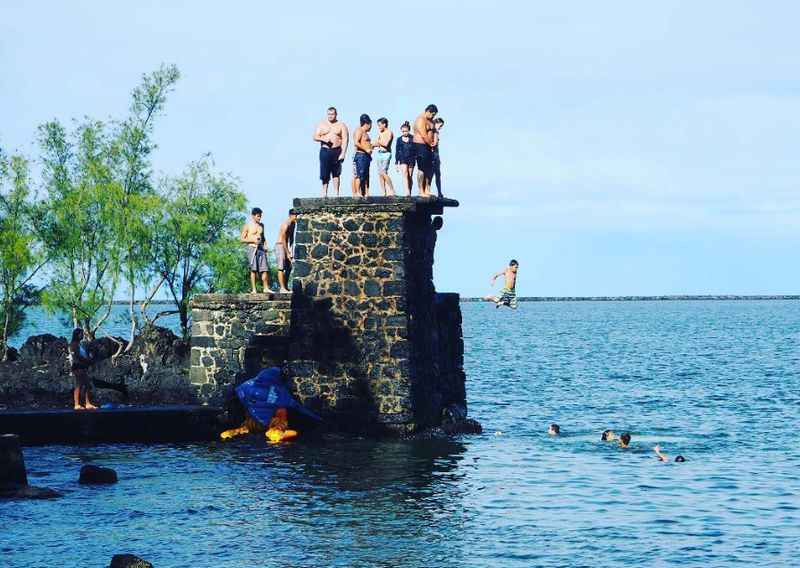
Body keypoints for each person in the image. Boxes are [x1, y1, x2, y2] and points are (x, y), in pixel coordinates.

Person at [313, 107, 349, 197]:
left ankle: (336, 193)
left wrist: (343, 153)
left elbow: (345, 139)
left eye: (332, 114)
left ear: (336, 114)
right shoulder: (322, 124)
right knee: (325, 172)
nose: (330, 116)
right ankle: (324, 192)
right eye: (329, 114)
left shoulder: (341, 125)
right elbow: (315, 136)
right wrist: (324, 139)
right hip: (325, 150)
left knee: (336, 173)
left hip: (336, 150)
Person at [240, 207, 270, 294]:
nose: (259, 218)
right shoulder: (247, 226)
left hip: (261, 249)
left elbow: (263, 237)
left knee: (264, 269)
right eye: (258, 216)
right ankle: (254, 289)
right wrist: (252, 240)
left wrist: (266, 246)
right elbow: (242, 239)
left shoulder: (262, 225)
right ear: (253, 216)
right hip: (252, 248)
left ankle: (266, 288)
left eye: (260, 216)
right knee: (253, 270)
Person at [413, 104, 438, 197]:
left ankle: (427, 189)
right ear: (427, 111)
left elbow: (434, 131)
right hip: (420, 146)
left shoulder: (431, 120)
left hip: (429, 146)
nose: (433, 117)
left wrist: (434, 141)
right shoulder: (420, 120)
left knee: (429, 168)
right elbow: (423, 135)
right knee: (422, 168)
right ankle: (421, 190)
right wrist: (431, 143)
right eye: (432, 115)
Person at [69, 328, 97, 410]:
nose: (82, 335)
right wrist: (88, 361)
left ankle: (87, 403)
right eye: (81, 334)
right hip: (77, 367)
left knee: (86, 385)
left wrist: (90, 359)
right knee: (79, 385)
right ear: (77, 335)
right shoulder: (73, 344)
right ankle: (77, 404)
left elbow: (84, 355)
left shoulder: (79, 344)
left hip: (83, 367)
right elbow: (77, 356)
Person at [274, 209, 298, 294]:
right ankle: (282, 288)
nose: (296, 217)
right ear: (290, 215)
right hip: (280, 245)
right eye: (295, 215)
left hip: (287, 246)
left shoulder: (294, 224)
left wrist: (290, 251)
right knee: (281, 267)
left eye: (297, 215)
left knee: (289, 267)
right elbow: (284, 239)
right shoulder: (285, 224)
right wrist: (287, 252)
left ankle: (286, 286)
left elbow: (291, 238)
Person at [373, 117, 395, 196]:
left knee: (383, 172)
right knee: (380, 173)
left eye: (379, 125)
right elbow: (376, 143)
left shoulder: (389, 132)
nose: (378, 127)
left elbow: (385, 143)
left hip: (386, 154)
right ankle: (383, 191)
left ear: (384, 124)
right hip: (379, 153)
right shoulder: (380, 133)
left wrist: (378, 141)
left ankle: (392, 189)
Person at [352, 114, 373, 197]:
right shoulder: (359, 130)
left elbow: (366, 143)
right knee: (360, 174)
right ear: (368, 123)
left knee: (366, 175)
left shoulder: (366, 133)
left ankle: (365, 193)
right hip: (361, 156)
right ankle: (358, 192)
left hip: (366, 156)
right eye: (371, 125)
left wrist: (372, 146)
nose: (371, 127)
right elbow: (356, 142)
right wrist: (366, 149)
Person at [395, 121, 415, 196]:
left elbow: (416, 149)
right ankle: (407, 191)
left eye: (406, 131)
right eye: (403, 131)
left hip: (411, 159)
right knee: (405, 174)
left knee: (410, 176)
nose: (404, 132)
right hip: (402, 158)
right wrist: (396, 163)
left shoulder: (413, 138)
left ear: (409, 130)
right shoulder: (399, 139)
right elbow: (397, 151)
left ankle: (410, 190)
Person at [432, 117, 444, 197]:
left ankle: (439, 192)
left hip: (436, 155)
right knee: (430, 174)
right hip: (432, 155)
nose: (441, 127)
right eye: (440, 125)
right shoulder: (432, 131)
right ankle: (427, 190)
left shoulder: (436, 132)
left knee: (438, 174)